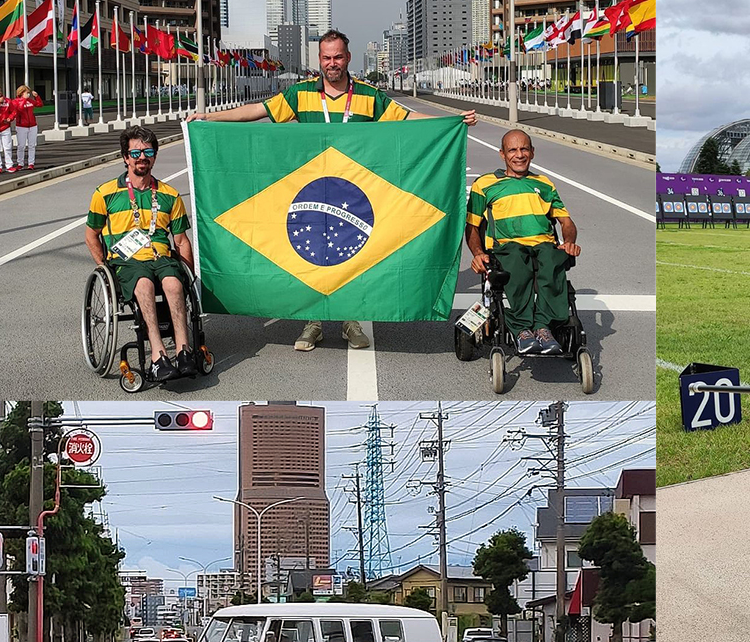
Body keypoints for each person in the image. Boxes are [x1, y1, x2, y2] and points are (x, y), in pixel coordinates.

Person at [187, 29, 478, 352]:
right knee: (312, 258)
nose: (332, 63)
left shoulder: (369, 96)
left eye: (338, 56)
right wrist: (208, 117)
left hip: (354, 193)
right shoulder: (300, 94)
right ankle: (312, 323)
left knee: (354, 256)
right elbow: (258, 111)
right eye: (326, 57)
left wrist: (451, 122)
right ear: (320, 60)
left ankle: (350, 321)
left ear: (348, 58)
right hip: (311, 191)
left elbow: (409, 118)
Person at [84, 127, 198, 382]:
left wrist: (188, 275)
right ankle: (158, 356)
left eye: (147, 152)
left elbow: (180, 241)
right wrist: (104, 267)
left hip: (161, 257)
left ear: (154, 157)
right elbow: (91, 234)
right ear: (126, 157)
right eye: (135, 152)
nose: (141, 157)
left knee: (173, 282)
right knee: (144, 285)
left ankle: (183, 351)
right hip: (126, 261)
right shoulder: (105, 193)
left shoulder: (169, 195)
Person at [465, 129, 581, 354]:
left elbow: (566, 222)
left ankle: (543, 327)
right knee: (517, 258)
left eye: (524, 149)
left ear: (532, 152)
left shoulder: (544, 183)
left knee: (554, 257)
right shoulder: (485, 184)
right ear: (502, 154)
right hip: (507, 247)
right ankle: (521, 328)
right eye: (512, 150)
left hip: (543, 245)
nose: (519, 155)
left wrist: (569, 241)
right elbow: (472, 226)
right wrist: (478, 253)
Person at [12, 85, 43, 171]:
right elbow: (19, 109)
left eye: (29, 93)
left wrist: (37, 97)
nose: (28, 94)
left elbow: (39, 104)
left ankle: (31, 163)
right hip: (21, 126)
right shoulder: (15, 101)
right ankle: (20, 163)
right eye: (27, 93)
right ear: (21, 93)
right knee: (21, 146)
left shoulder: (30, 101)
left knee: (32, 145)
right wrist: (23, 100)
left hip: (32, 125)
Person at [0, 85, 14, 173]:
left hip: (5, 127)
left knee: (7, 147)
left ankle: (9, 165)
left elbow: (13, 111)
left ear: (0, 92)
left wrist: (10, 118)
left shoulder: (7, 101)